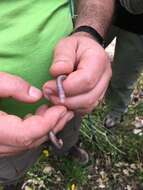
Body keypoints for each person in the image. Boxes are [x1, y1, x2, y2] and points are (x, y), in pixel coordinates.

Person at [0, 0, 113, 189]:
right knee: (9, 169)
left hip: (72, 101)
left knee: (69, 130)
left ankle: (66, 148)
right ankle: (12, 180)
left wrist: (89, 32)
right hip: (8, 128)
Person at [104, 0, 143, 128]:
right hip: (104, 10)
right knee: (81, 57)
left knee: (123, 77)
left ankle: (115, 112)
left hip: (138, 29)